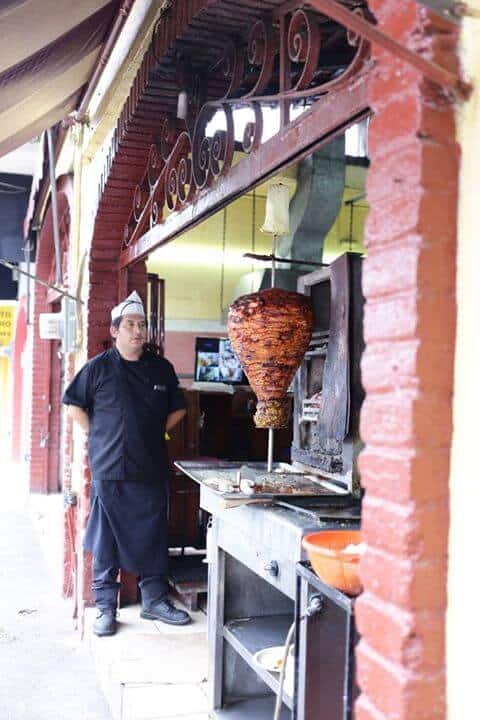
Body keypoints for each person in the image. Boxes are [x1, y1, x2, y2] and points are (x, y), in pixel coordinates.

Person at [63, 291, 190, 636]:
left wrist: (154, 431)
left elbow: (178, 407)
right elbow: (73, 403)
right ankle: (105, 607)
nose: (137, 330)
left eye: (142, 324)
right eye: (130, 325)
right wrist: (97, 433)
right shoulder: (98, 367)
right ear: (116, 330)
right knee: (105, 538)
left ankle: (153, 600)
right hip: (110, 467)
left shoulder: (160, 368)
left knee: (153, 533)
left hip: (149, 465)